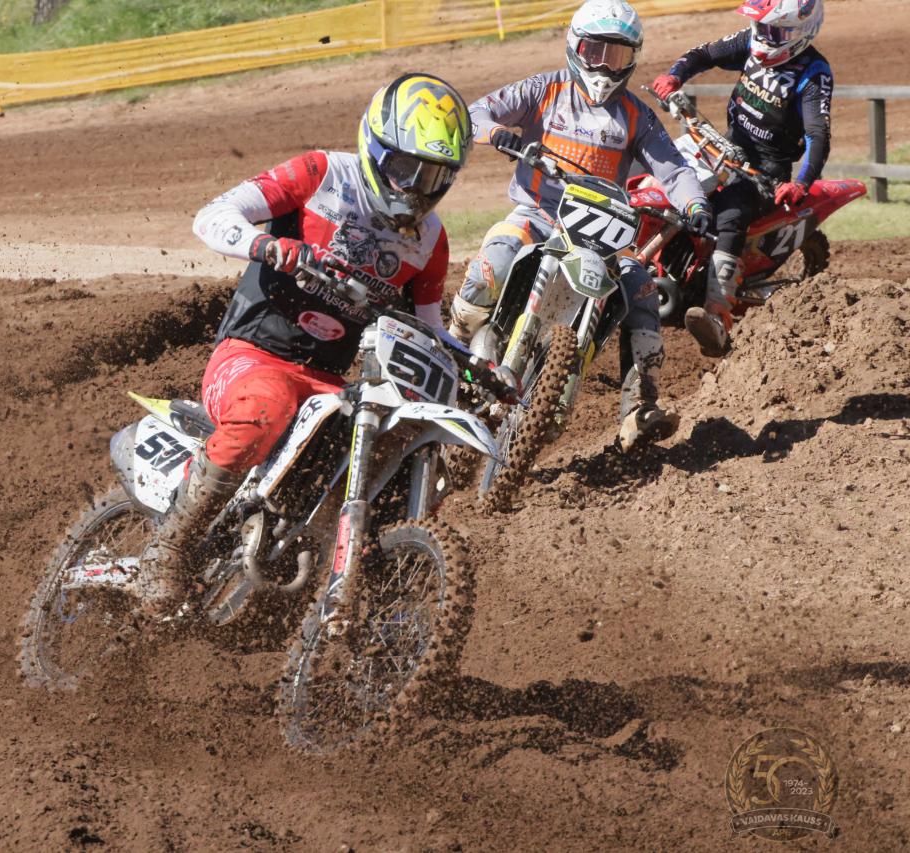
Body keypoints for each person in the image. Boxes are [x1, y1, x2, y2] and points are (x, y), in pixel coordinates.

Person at [138, 73, 473, 616]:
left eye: (432, 175)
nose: (414, 186)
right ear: (375, 146)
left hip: (330, 385)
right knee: (265, 407)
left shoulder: (429, 240)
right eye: (404, 167)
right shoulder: (321, 174)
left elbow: (429, 330)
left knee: (377, 451)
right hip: (251, 354)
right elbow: (212, 216)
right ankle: (168, 550)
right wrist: (269, 246)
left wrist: (475, 366)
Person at [448, 0, 712, 452]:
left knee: (643, 292)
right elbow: (474, 112)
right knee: (494, 261)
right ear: (575, 46)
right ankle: (453, 348)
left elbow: (673, 169)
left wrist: (696, 203)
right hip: (538, 214)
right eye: (596, 52)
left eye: (618, 55)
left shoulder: (636, 114)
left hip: (603, 232)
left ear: (633, 59)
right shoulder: (543, 89)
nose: (605, 66)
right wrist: (497, 134)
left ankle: (639, 405)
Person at [651, 0, 831, 356]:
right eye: (762, 27)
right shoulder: (753, 39)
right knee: (663, 174)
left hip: (766, 171)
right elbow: (704, 54)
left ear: (800, 32)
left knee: (729, 215)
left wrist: (801, 183)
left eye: (775, 31)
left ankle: (717, 317)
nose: (764, 36)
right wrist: (675, 76)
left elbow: (818, 135)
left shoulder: (814, 72)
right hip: (722, 146)